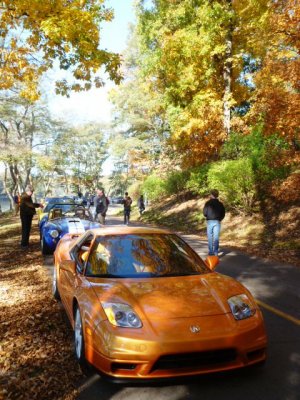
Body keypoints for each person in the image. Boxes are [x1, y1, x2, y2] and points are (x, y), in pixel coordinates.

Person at [203, 189, 225, 256]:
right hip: (217, 221)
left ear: (211, 195)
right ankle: (216, 252)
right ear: (217, 195)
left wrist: (208, 216)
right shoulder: (220, 204)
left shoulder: (207, 203)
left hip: (209, 221)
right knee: (216, 237)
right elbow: (223, 213)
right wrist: (219, 219)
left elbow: (204, 213)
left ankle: (211, 252)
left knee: (210, 237)